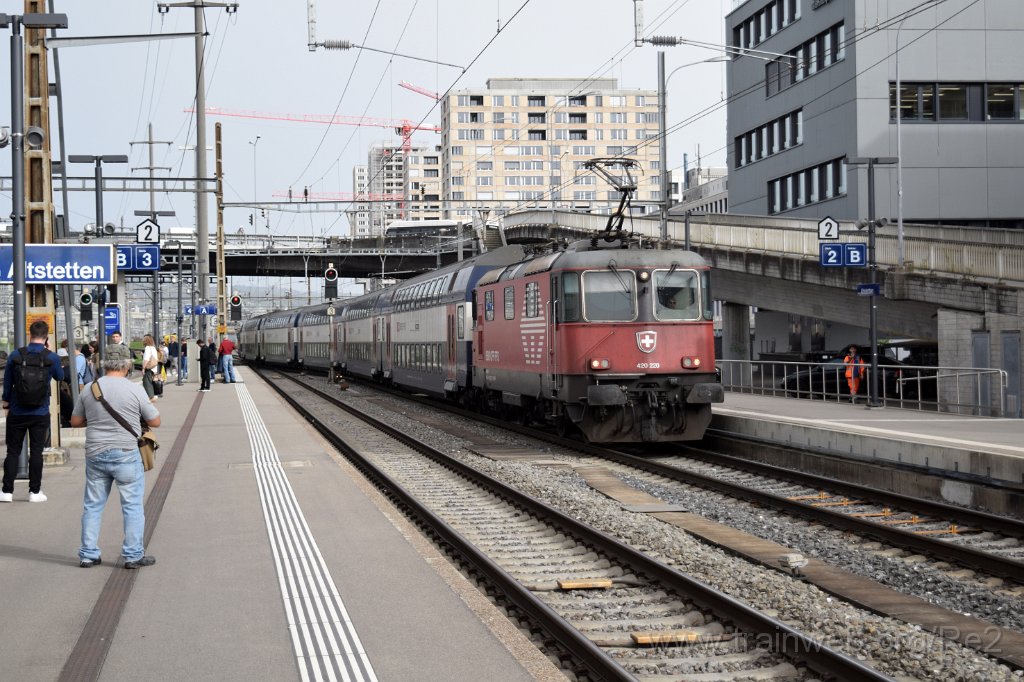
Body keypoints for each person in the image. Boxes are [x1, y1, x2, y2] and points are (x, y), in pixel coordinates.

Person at [70, 356, 160, 569]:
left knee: (92, 505)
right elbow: (155, 421)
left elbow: (75, 421)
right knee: (132, 506)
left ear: (104, 365)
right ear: (128, 366)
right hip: (126, 454)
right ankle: (132, 555)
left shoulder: (90, 388)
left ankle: (88, 555)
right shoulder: (135, 389)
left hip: (95, 453)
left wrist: (96, 419)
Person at [1, 320, 65, 503]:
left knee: (13, 451)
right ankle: (34, 493)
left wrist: (6, 403)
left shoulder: (16, 355)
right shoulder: (51, 357)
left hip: (17, 411)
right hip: (40, 412)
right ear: (46, 337)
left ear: (30, 334)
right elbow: (60, 377)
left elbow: (7, 384)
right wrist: (49, 351)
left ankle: (7, 492)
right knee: (36, 452)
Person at [140, 334, 159, 402]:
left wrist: (143, 368)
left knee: (147, 383)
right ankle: (152, 396)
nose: (142, 340)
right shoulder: (153, 348)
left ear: (146, 341)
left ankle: (151, 397)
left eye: (143, 339)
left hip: (149, 368)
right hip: (154, 368)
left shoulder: (147, 348)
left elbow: (146, 359)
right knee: (151, 382)